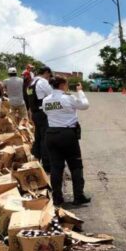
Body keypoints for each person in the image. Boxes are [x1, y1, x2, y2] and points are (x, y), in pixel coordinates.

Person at [42, 76, 91, 206]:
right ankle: (78, 196)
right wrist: (80, 91)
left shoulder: (46, 100)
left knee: (56, 168)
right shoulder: (68, 97)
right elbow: (85, 105)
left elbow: (48, 114)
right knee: (75, 166)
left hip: (51, 134)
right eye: (66, 84)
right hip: (67, 135)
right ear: (62, 85)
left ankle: (57, 198)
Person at [25, 66, 54, 172]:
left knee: (38, 137)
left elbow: (28, 99)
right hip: (43, 113)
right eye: (49, 75)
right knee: (45, 139)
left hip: (35, 113)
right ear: (46, 72)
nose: (49, 78)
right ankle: (47, 166)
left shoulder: (31, 83)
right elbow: (52, 95)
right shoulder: (42, 82)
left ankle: (36, 160)